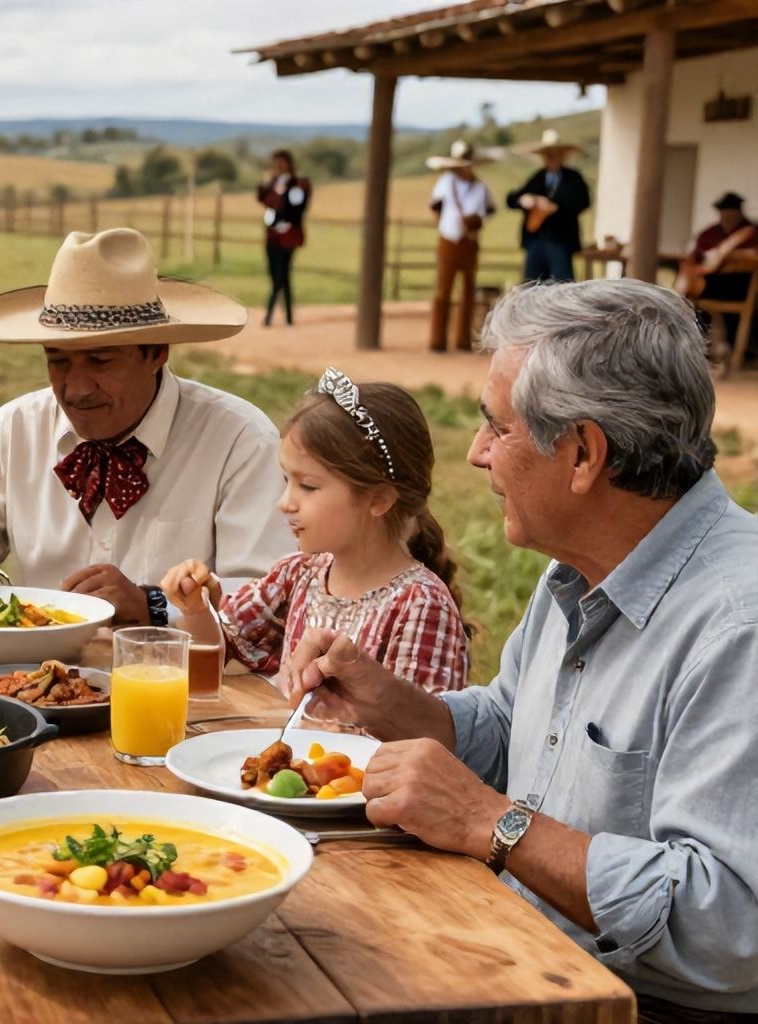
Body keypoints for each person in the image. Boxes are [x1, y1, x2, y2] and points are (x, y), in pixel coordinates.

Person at [281, 280, 758, 1017]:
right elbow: (512, 731)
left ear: (582, 453)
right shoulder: (582, 566)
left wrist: (491, 823)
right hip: (512, 954)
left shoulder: (739, 625)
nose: (475, 454)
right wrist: (394, 703)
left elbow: (728, 924)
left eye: (494, 427)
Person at [0, 227, 293, 626]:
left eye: (102, 361)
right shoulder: (15, 429)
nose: (77, 388)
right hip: (25, 679)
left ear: (156, 352)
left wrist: (154, 606)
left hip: (178, 682)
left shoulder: (237, 440)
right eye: (58, 360)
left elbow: (269, 600)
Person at [162, 369, 469, 695]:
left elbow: (420, 734)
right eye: (286, 482)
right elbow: (220, 651)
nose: (284, 503)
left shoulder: (419, 606)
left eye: (308, 486)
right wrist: (196, 609)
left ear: (378, 499)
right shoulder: (297, 574)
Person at [427, 141, 495, 352]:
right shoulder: (446, 182)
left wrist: (474, 223)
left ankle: (463, 340)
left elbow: (489, 211)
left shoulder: (480, 187)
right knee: (443, 289)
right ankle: (438, 340)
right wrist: (444, 225)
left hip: (470, 241)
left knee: (468, 291)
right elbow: (435, 207)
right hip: (448, 239)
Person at [506, 130, 591, 283]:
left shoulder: (573, 178)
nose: (550, 158)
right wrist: (524, 200)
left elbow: (583, 202)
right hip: (536, 241)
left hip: (561, 240)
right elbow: (512, 199)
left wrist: (555, 207)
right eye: (547, 154)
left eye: (554, 154)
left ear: (562, 155)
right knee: (532, 284)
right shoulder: (537, 178)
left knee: (562, 284)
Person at [678, 191, 756, 351]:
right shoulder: (709, 234)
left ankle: (740, 348)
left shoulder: (751, 233)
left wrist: (736, 256)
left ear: (738, 213)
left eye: (731, 213)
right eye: (724, 212)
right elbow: (694, 258)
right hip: (710, 285)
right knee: (690, 295)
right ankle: (696, 341)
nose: (728, 217)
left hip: (743, 286)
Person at [257, 149, 310, 328]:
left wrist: (281, 193)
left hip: (288, 235)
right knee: (278, 276)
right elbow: (263, 199)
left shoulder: (298, 184)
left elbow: (295, 208)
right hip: (272, 236)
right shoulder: (272, 184)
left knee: (282, 274)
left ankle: (269, 316)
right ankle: (288, 316)